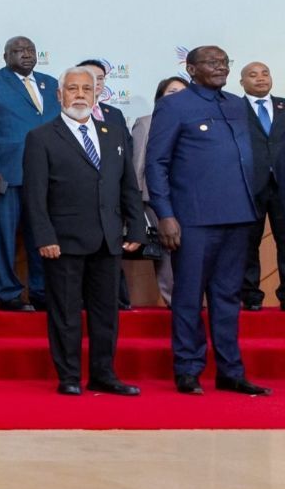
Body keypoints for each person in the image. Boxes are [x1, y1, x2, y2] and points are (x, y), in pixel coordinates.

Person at [146, 46, 271, 395]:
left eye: (224, 62)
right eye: (211, 63)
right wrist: (165, 215)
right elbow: (156, 163)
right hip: (193, 220)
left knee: (228, 297)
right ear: (191, 68)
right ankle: (188, 369)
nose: (220, 68)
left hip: (239, 215)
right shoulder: (174, 105)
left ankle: (231, 371)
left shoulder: (235, 103)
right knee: (188, 297)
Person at [22, 67, 145, 396]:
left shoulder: (114, 133)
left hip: (108, 238)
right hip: (63, 242)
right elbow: (34, 196)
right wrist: (45, 237)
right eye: (72, 89)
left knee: (107, 314)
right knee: (65, 314)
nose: (79, 94)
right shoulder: (41, 137)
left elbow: (128, 186)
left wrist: (136, 226)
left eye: (86, 89)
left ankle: (104, 374)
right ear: (59, 95)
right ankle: (70, 376)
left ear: (96, 95)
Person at [0, 36, 58, 311]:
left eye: (31, 50)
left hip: (48, 176)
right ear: (6, 56)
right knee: (5, 238)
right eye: (19, 51)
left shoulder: (52, 83)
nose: (27, 54)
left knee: (43, 236)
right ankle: (8, 294)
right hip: (6, 174)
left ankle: (42, 292)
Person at [78, 59, 133, 309]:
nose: (95, 82)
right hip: (81, 200)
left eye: (100, 78)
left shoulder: (114, 114)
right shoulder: (67, 115)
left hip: (113, 195)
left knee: (112, 248)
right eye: (90, 77)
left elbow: (127, 156)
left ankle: (116, 298)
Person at [131, 76, 188, 306]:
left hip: (190, 198)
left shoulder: (196, 121)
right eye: (172, 92)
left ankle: (189, 300)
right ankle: (173, 300)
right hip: (155, 198)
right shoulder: (146, 122)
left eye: (183, 92)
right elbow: (138, 165)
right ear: (160, 97)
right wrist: (134, 202)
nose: (178, 97)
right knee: (166, 252)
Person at [237, 61, 285, 311]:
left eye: (265, 73)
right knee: (247, 244)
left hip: (282, 186)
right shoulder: (233, 109)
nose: (261, 78)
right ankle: (251, 297)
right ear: (242, 82)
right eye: (253, 75)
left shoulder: (283, 106)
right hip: (247, 185)